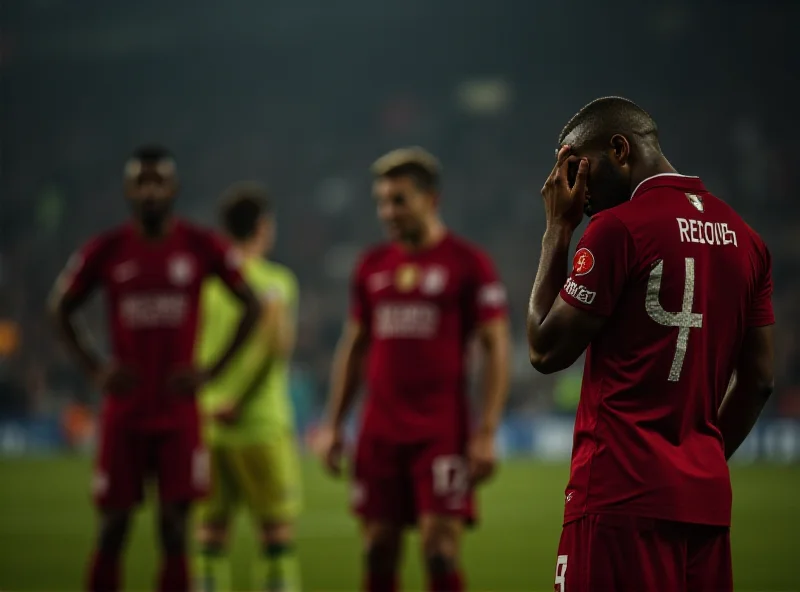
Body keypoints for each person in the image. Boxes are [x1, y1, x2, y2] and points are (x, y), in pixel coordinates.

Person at [526, 97, 775, 592]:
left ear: (619, 149)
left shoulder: (615, 230)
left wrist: (557, 229)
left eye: (577, 168)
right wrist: (691, 466)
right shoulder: (747, 239)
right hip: (703, 505)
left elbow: (545, 350)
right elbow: (760, 380)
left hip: (618, 499)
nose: (572, 189)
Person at [49, 146, 260, 592]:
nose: (149, 191)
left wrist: (210, 371)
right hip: (124, 412)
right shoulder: (106, 250)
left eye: (158, 182)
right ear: (128, 190)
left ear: (174, 189)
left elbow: (253, 305)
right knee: (112, 529)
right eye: (141, 182)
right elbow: (61, 307)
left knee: (174, 532)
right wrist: (95, 368)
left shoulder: (200, 246)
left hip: (177, 414)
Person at [319, 147, 511, 592]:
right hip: (379, 429)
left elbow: (496, 345)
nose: (387, 211)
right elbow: (355, 345)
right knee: (376, 550)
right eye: (382, 201)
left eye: (399, 200)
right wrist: (332, 424)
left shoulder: (468, 263)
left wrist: (486, 431)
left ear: (431, 199)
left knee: (440, 552)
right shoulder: (371, 265)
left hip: (440, 429)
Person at [194, 183, 302, 592]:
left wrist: (208, 402)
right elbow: (277, 351)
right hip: (259, 423)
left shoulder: (204, 283)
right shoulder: (276, 282)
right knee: (276, 535)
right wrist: (237, 400)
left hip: (208, 425)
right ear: (263, 227)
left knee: (210, 534)